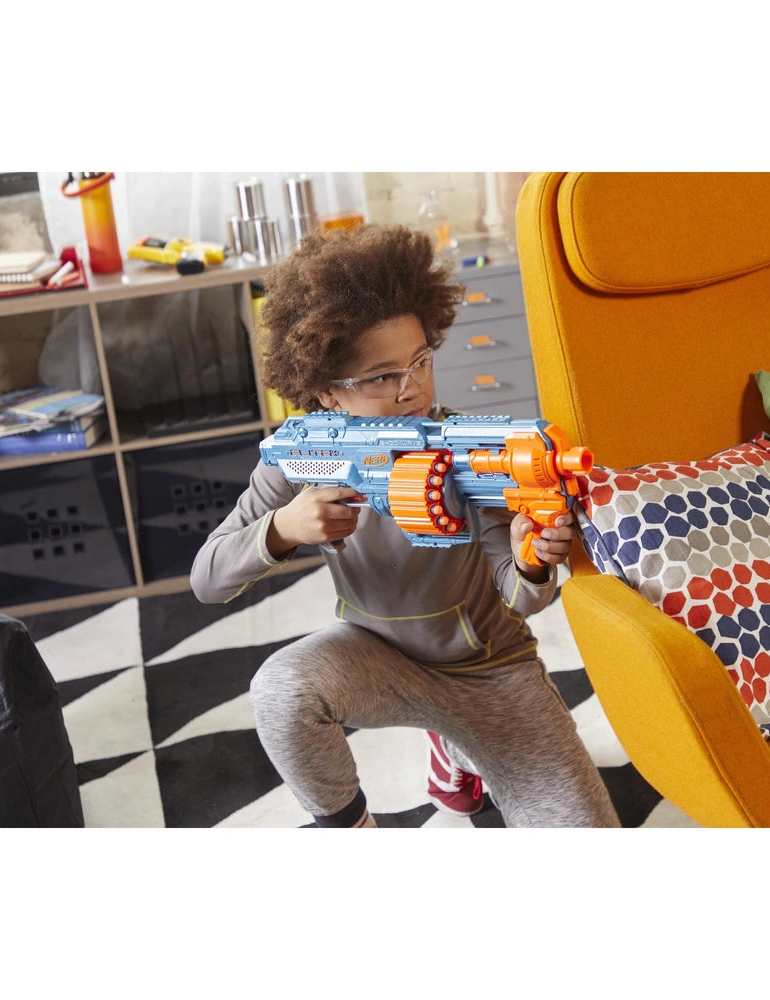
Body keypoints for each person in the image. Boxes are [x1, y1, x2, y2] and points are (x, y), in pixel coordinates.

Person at [190, 224, 619, 828]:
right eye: (381, 376)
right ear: (327, 392)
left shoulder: (472, 453)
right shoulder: (306, 453)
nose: (411, 387)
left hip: (488, 669)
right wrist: (282, 528)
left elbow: (521, 598)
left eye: (420, 361)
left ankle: (455, 748)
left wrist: (530, 560)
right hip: (375, 659)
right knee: (282, 689)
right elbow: (207, 580)